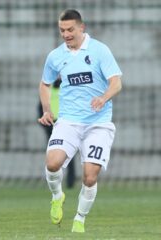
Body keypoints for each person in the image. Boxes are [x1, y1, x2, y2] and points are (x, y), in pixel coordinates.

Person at [38, 9, 122, 233]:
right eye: (62, 30)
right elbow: (45, 84)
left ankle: (80, 219)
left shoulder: (99, 50)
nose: (65, 34)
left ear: (81, 28)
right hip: (68, 122)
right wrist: (47, 109)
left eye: (70, 30)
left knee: (90, 175)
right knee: (52, 163)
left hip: (99, 124)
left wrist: (103, 98)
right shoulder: (55, 56)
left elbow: (116, 83)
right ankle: (57, 196)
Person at [37, 78, 76, 189]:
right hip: (56, 125)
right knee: (66, 155)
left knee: (54, 154)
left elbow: (41, 110)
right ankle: (68, 181)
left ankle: (65, 181)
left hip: (59, 125)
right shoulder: (66, 92)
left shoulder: (51, 92)